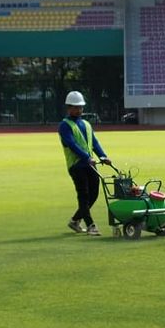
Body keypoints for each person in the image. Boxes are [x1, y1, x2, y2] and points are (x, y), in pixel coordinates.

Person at [58, 90, 111, 236]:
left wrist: (103, 155)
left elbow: (94, 142)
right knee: (84, 196)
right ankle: (91, 225)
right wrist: (87, 157)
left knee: (94, 195)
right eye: (75, 107)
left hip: (90, 164)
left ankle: (75, 220)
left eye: (80, 107)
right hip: (76, 166)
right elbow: (72, 144)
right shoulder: (65, 125)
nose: (79, 110)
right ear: (68, 108)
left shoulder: (86, 124)